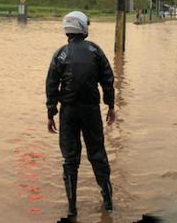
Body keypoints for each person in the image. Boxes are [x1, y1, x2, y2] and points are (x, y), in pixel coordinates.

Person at [46, 11, 116, 217]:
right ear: (83, 27)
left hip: (68, 113)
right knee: (97, 155)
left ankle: (72, 208)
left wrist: (51, 113)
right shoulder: (95, 50)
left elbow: (51, 85)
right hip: (91, 112)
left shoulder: (60, 54)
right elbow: (108, 80)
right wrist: (110, 105)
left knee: (70, 159)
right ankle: (109, 204)